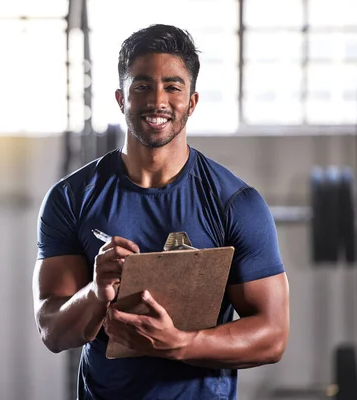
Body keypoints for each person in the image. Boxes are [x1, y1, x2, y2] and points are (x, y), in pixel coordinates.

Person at [32, 23, 290, 400]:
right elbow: (52, 331)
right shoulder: (71, 198)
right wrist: (96, 292)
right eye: (142, 86)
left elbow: (273, 336)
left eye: (173, 87)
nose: (157, 101)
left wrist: (180, 344)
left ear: (193, 101)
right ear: (121, 99)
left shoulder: (235, 203)